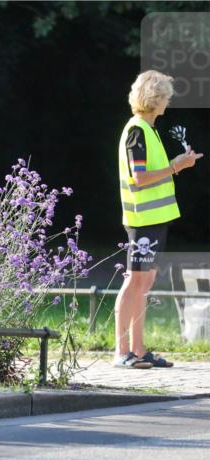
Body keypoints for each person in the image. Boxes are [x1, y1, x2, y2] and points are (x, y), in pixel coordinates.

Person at [114, 70, 202, 369]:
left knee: (144, 283)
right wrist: (176, 167)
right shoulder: (137, 130)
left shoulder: (148, 130)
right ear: (154, 98)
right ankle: (122, 352)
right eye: (165, 96)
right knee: (134, 282)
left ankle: (138, 350)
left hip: (155, 220)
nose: (168, 101)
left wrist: (179, 164)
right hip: (142, 221)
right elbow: (139, 178)